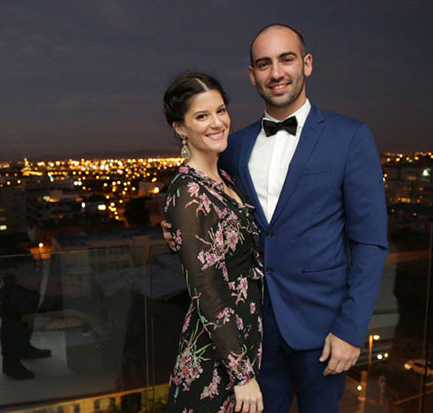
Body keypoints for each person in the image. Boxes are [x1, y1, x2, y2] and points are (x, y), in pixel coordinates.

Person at [163, 24, 388, 413]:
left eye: (286, 59)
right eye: (264, 64)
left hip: (324, 333)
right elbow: (205, 201)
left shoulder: (351, 137)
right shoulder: (234, 145)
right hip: (252, 334)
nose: (276, 73)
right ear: (252, 75)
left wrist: (351, 329)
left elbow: (369, 242)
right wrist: (175, 229)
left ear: (307, 64)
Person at [163, 72, 264, 413]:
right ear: (180, 128)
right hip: (218, 352)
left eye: (220, 110)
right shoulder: (187, 191)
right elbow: (205, 287)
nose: (217, 122)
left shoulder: (225, 178)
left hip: (243, 334)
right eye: (202, 116)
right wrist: (241, 374)